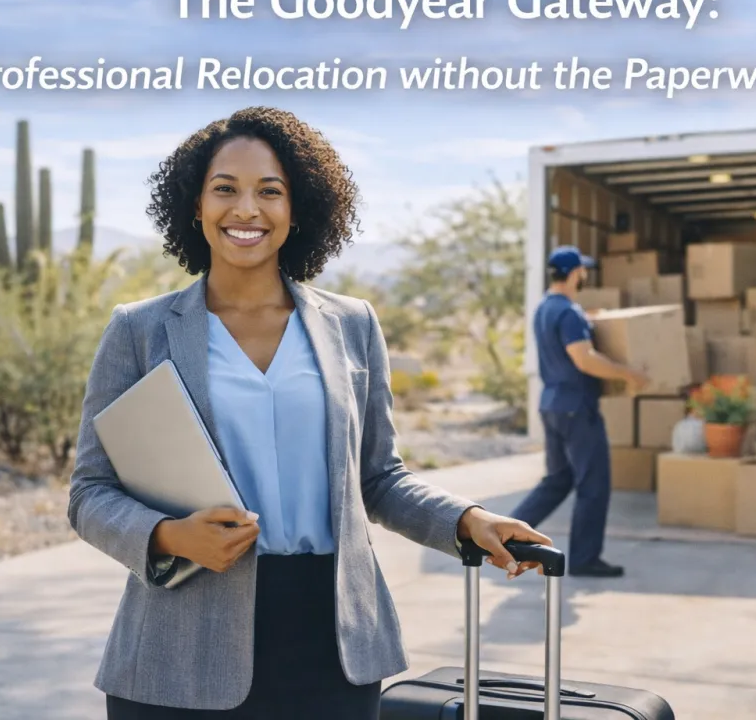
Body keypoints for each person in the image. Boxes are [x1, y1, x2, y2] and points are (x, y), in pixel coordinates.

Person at [67, 106, 552, 719]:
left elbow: (376, 478)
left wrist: (467, 520)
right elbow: (90, 491)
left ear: (299, 211)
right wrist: (168, 536)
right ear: (195, 205)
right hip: (180, 651)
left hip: (331, 645)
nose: (247, 209)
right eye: (225, 189)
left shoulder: (352, 324)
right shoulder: (138, 331)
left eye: (271, 191)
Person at [510, 245, 648, 578]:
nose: (585, 275)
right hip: (577, 409)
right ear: (575, 274)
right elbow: (584, 358)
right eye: (583, 270)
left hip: (552, 405)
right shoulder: (569, 313)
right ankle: (585, 559)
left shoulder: (546, 308)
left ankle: (508, 535)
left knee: (558, 480)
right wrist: (629, 373)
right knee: (594, 484)